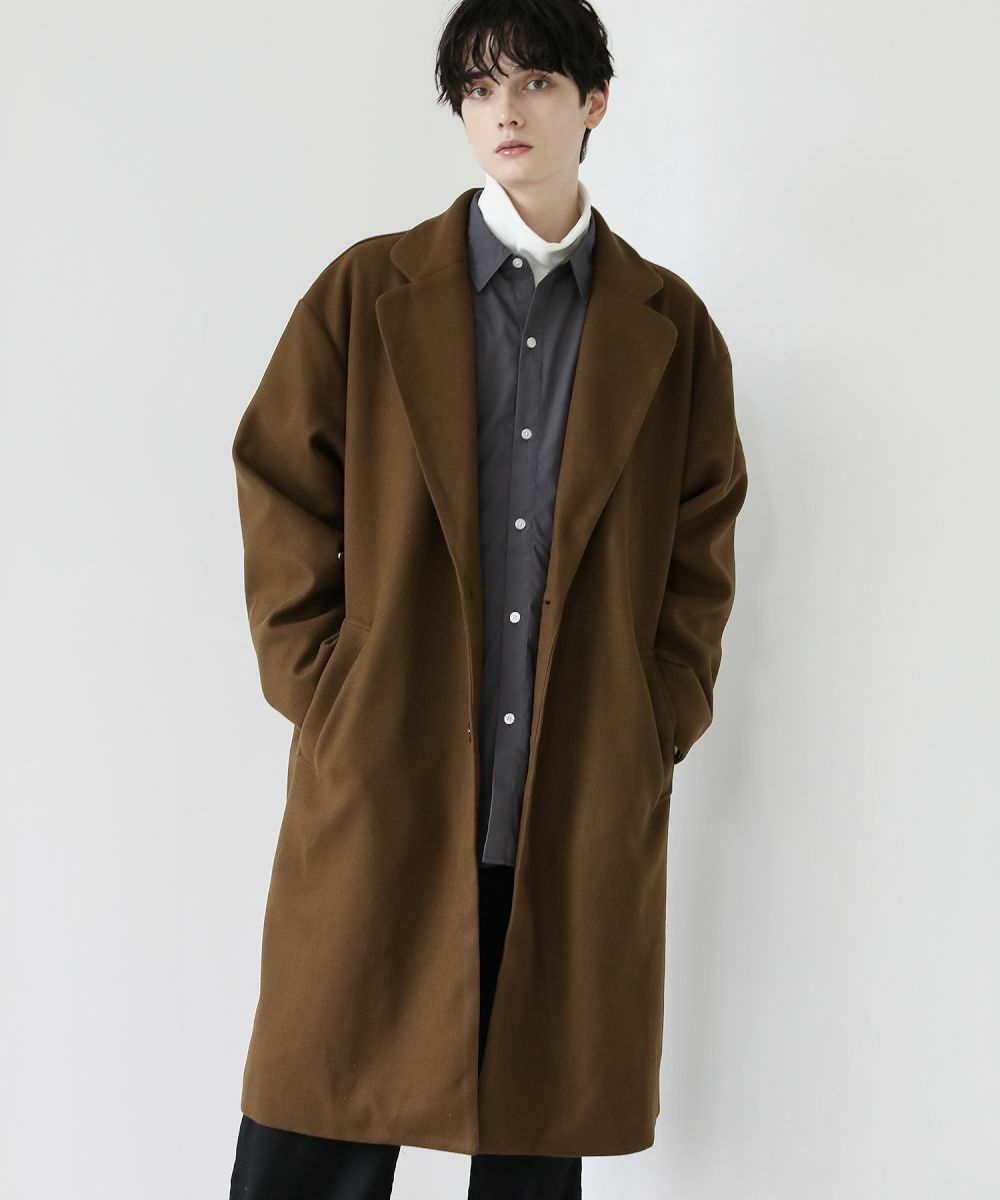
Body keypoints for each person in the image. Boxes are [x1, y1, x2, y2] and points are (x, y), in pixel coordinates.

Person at [228, 1, 748, 1196]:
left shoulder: (669, 329)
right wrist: (327, 684)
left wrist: (656, 714)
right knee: (310, 1130)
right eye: (476, 88)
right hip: (387, 776)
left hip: (570, 790)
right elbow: (277, 482)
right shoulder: (369, 292)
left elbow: (700, 541)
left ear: (593, 102)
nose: (504, 111)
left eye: (534, 82)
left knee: (531, 1143)